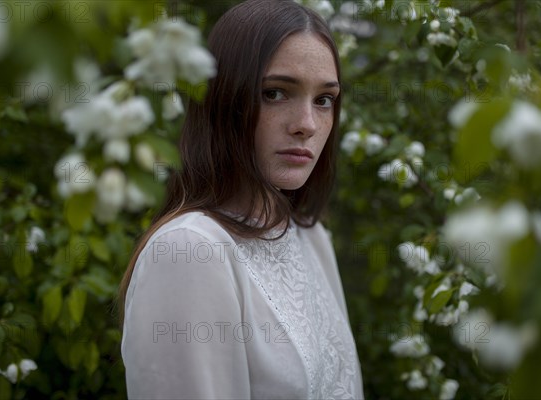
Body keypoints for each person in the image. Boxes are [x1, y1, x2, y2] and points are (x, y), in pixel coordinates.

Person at [119, 0, 364, 398]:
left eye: (324, 100)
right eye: (274, 93)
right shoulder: (187, 252)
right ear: (224, 100)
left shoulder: (309, 236)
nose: (306, 124)